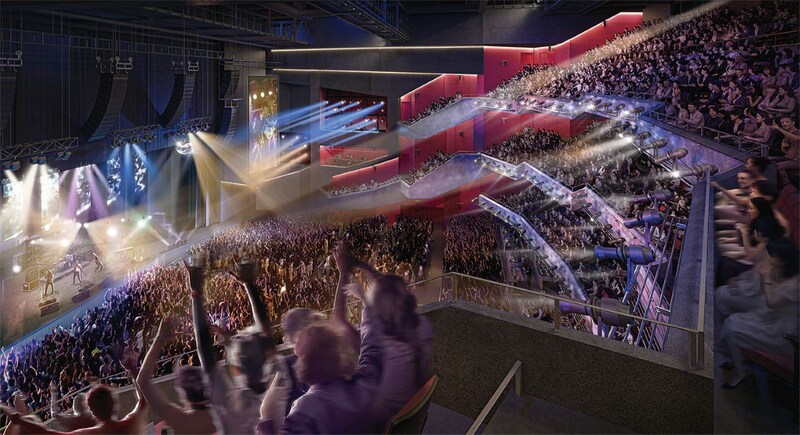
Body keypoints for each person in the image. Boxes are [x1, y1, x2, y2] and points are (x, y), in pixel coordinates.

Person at [264, 245, 386, 434]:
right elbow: (372, 343)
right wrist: (365, 303)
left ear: (304, 368)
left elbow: (342, 322)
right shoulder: (366, 379)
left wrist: (266, 419)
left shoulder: (306, 409)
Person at [187, 261, 276, 435]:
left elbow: (204, 352)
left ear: (235, 370)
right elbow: (265, 332)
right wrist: (249, 285)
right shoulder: (281, 385)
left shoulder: (231, 405)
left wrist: (196, 292)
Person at [718, 237, 800, 389]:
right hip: (771, 316)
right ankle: (736, 360)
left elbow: (772, 302)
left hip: (783, 332)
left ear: (783, 260)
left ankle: (740, 372)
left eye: (772, 256)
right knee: (732, 322)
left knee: (732, 327)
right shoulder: (779, 268)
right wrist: (764, 277)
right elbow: (765, 292)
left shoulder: (795, 283)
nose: (768, 258)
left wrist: (766, 278)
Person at [135, 317, 222, 434]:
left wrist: (159, 338)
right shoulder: (223, 415)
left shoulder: (180, 420)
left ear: (183, 394)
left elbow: (142, 382)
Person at [1, 374, 149, 434]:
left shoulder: (88, 432)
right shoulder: (130, 423)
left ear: (91, 410)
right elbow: (142, 402)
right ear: (114, 403)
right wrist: (132, 375)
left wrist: (19, 420)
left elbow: (48, 433)